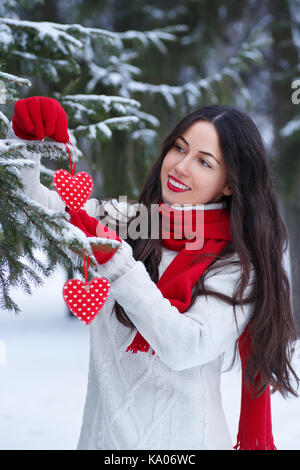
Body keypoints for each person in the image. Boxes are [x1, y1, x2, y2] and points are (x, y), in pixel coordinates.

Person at [6, 99, 299, 450]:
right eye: (179, 148)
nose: (180, 166)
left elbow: (184, 346)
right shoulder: (127, 224)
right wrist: (25, 139)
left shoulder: (235, 266)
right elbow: (32, 213)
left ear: (230, 184)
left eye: (204, 162)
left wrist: (118, 263)